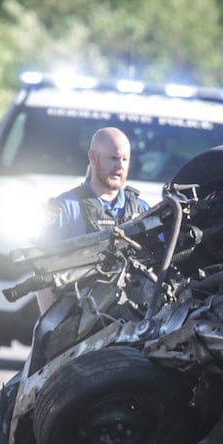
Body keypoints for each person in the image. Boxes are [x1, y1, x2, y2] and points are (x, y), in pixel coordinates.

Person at [36, 127, 146, 312]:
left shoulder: (141, 209)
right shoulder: (66, 207)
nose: (120, 166)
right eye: (113, 158)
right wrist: (52, 326)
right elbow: (41, 267)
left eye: (125, 159)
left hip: (131, 325)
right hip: (78, 320)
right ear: (93, 157)